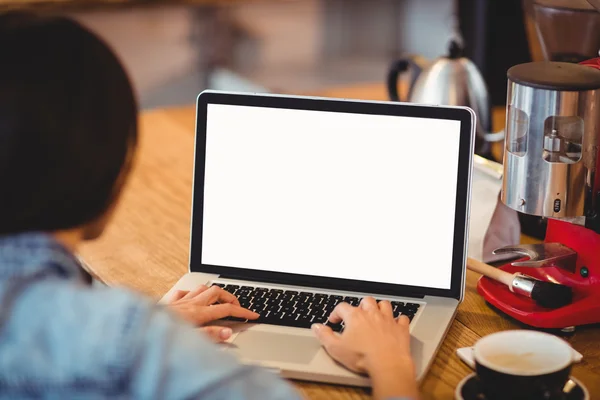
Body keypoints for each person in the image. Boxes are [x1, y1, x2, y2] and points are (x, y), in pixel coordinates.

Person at [0, 12, 419, 400]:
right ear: (107, 172)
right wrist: (390, 364)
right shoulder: (130, 340)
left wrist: (148, 333)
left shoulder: (123, 335)